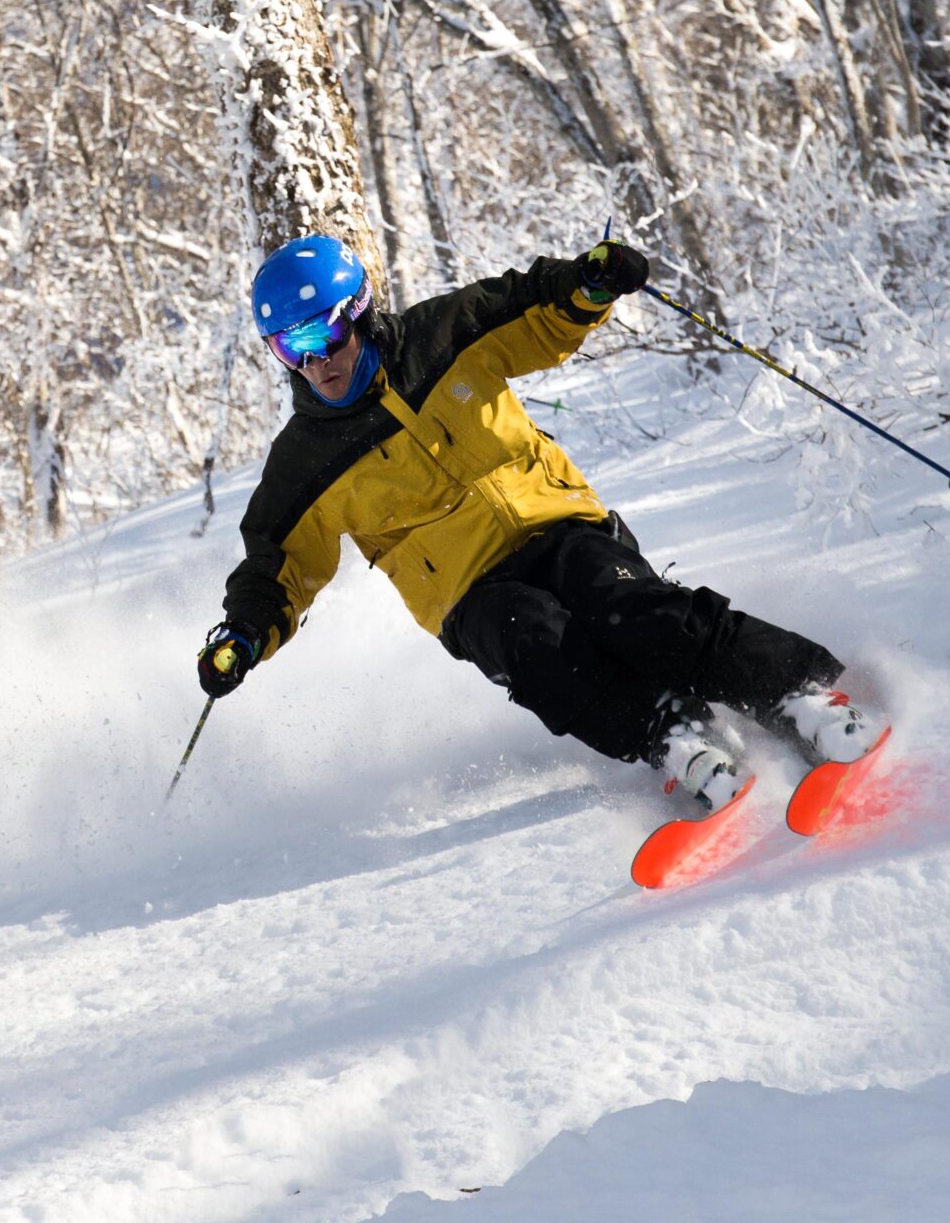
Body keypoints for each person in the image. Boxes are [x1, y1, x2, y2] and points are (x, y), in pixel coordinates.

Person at [198, 233, 879, 813]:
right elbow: (276, 564)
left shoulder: (444, 337)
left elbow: (534, 310)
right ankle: (668, 731)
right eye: (291, 349)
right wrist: (245, 632)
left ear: (359, 312)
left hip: (556, 525)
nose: (317, 363)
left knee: (628, 608)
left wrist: (589, 282)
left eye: (323, 334)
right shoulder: (304, 464)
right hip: (470, 593)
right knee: (537, 644)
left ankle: (798, 693)